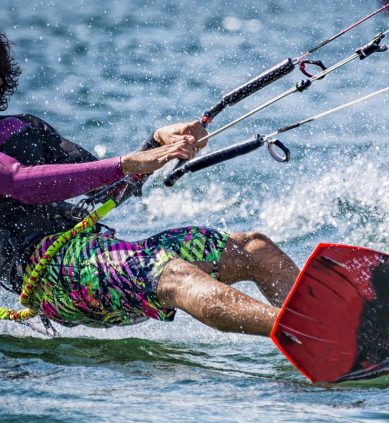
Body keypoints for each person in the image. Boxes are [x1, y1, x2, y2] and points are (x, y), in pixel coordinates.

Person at [0, 32, 299, 336]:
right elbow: (20, 182)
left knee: (253, 248)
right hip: (48, 277)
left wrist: (157, 143)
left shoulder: (26, 128)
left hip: (99, 255)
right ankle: (313, 334)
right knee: (177, 277)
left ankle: (327, 337)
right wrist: (126, 163)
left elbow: (108, 188)